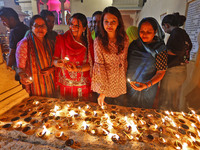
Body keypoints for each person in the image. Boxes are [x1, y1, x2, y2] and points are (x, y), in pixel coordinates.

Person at [91, 6, 129, 106]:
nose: (109, 25)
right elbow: (100, 67)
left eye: (113, 21)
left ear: (118, 22)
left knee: (119, 113)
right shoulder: (99, 41)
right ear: (102, 23)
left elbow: (124, 60)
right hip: (105, 83)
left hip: (120, 82)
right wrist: (102, 91)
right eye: (106, 21)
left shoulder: (124, 39)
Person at [126, 17, 167, 109]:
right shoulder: (134, 45)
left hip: (148, 87)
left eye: (148, 32)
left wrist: (146, 85)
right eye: (142, 31)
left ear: (155, 31)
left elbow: (161, 72)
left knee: (143, 113)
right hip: (130, 85)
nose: (144, 34)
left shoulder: (160, 48)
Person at [53, 13, 94, 101]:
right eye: (71, 24)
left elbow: (91, 65)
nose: (73, 28)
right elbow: (54, 60)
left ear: (84, 28)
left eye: (77, 25)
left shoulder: (88, 43)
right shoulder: (62, 39)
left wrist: (77, 69)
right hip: (66, 85)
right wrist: (58, 63)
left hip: (83, 86)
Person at [159, 13, 192, 111]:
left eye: (163, 27)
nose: (164, 30)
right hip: (181, 70)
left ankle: (164, 122)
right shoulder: (183, 33)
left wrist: (160, 51)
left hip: (173, 71)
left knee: (165, 101)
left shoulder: (176, 33)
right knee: (172, 100)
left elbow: (176, 50)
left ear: (167, 25)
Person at [16, 15, 55, 97]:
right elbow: (20, 68)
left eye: (43, 26)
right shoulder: (24, 43)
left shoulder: (50, 43)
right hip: (34, 85)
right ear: (31, 27)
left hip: (50, 84)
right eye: (36, 26)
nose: (40, 28)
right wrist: (23, 76)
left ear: (46, 28)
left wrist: (52, 69)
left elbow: (55, 63)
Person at [0, 7, 29, 81]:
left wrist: (8, 70)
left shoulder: (14, 32)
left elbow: (12, 54)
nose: (4, 24)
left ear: (12, 19)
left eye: (4, 20)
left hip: (19, 67)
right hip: (29, 65)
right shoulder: (26, 28)